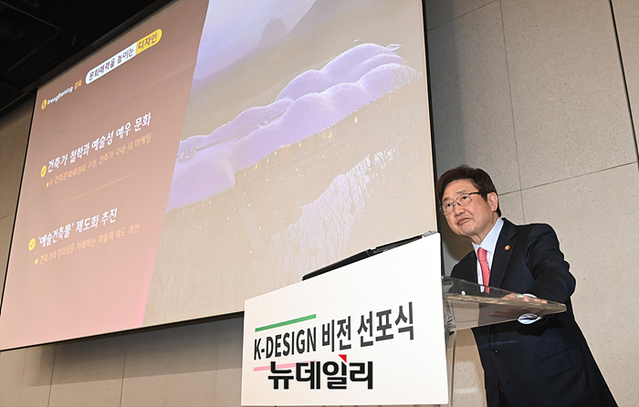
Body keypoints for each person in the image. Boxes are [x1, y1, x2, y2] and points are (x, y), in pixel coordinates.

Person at [436, 165, 617, 407]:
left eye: (464, 198)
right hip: (504, 396)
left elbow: (557, 277)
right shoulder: (461, 271)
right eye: (448, 205)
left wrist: (526, 304)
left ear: (492, 200)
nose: (457, 209)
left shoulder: (533, 237)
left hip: (561, 388)